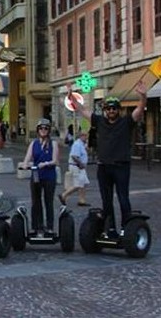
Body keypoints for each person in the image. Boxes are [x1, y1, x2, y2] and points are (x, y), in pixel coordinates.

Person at [67, 80, 147, 237]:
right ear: (105, 110)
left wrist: (143, 96)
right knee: (106, 201)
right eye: (109, 108)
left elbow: (139, 110)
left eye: (114, 108)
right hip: (103, 167)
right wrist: (71, 96)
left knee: (123, 198)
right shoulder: (99, 121)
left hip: (121, 167)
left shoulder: (126, 122)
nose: (111, 110)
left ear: (118, 110)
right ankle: (110, 229)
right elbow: (82, 110)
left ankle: (126, 229)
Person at [22, 118, 60, 237]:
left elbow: (55, 161)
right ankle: (35, 226)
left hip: (49, 176)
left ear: (49, 130)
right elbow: (27, 159)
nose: (43, 130)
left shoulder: (53, 143)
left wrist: (46, 164)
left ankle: (49, 227)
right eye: (41, 128)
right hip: (36, 175)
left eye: (46, 128)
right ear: (38, 130)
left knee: (48, 201)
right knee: (35, 202)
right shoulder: (34, 143)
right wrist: (25, 165)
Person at [60, 129, 90, 207]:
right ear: (81, 136)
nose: (87, 137)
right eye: (85, 136)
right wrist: (80, 164)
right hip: (77, 166)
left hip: (80, 167)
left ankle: (82, 200)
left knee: (84, 183)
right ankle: (64, 195)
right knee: (78, 184)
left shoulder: (82, 144)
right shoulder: (77, 144)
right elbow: (74, 156)